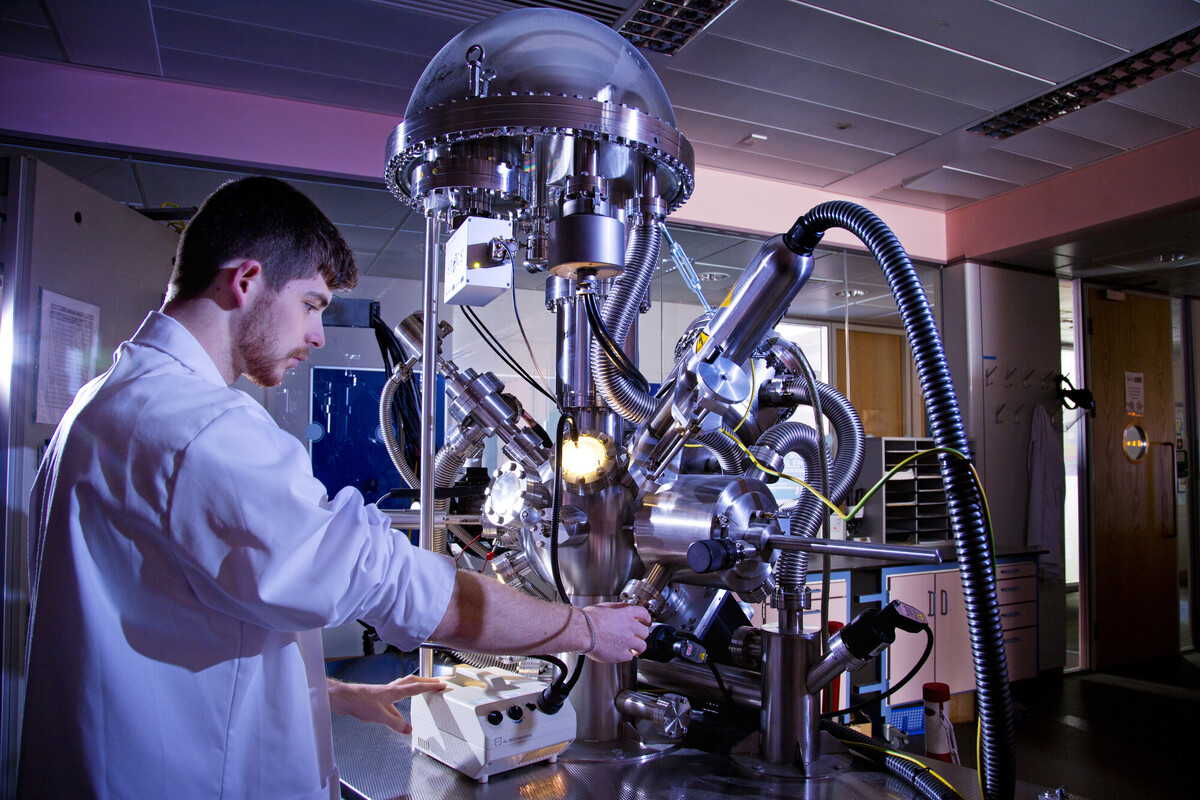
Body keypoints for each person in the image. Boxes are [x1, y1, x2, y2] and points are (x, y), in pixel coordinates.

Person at [18, 176, 650, 799]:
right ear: (245, 281)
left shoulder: (102, 403)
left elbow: (170, 615)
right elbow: (402, 588)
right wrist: (586, 630)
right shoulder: (205, 429)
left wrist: (335, 694)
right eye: (312, 304)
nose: (318, 334)